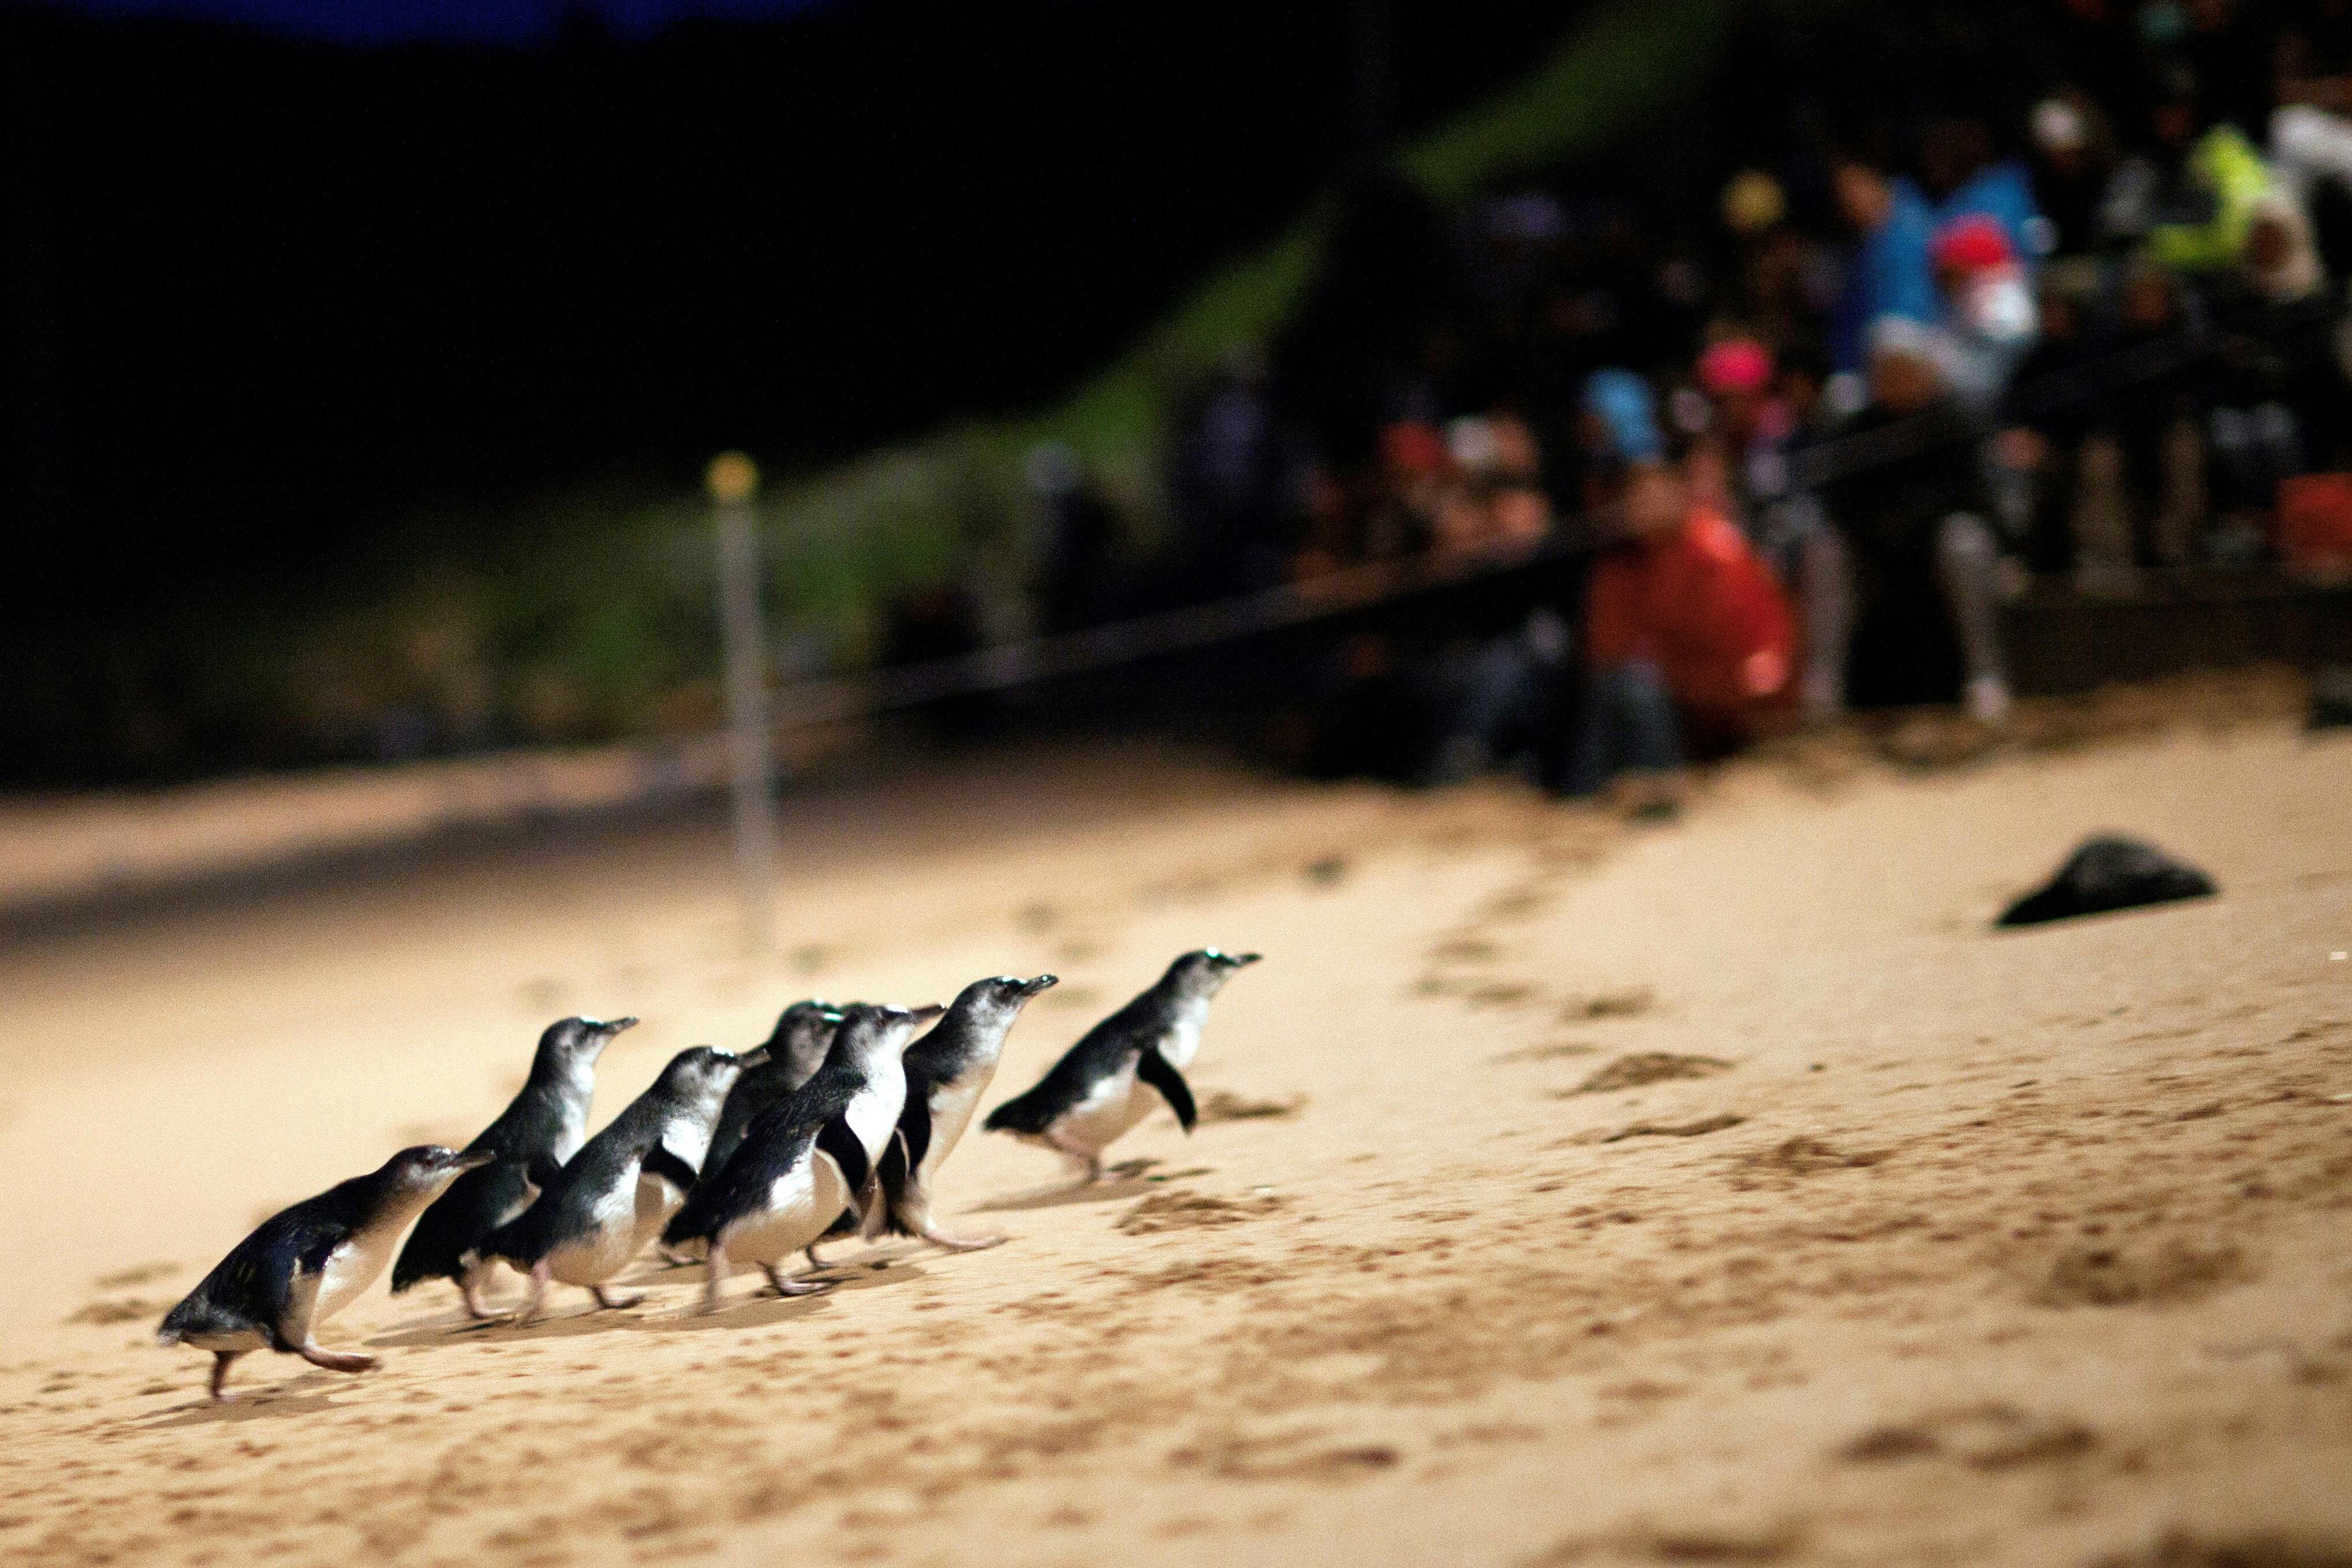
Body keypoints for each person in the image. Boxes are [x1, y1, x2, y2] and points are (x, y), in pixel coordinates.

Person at [1804, 317, 2013, 725]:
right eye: (1888, 372)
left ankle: (1986, 678)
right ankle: (1823, 690)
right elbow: (1839, 503)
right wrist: (1883, 529)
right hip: (1874, 556)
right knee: (1823, 549)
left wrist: (1915, 520)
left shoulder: (1955, 422)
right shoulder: (1855, 428)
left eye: (1906, 371)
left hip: (1936, 551)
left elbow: (1978, 498)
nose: (1897, 382)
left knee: (1965, 540)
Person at [1567, 453, 1795, 810]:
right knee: (1622, 687)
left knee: (1636, 685)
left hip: (1726, 695)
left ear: (1678, 494)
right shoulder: (1618, 567)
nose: (1646, 509)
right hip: (1670, 699)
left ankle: (1663, 791)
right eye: (1636, 500)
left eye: (1654, 496)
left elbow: (1764, 631)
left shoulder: (1715, 549)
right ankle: (1589, 796)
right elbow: (1604, 650)